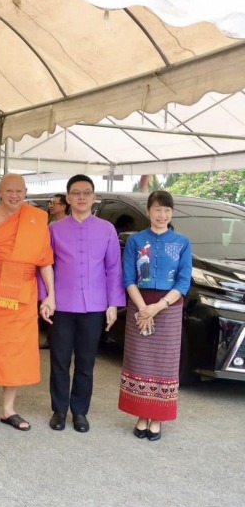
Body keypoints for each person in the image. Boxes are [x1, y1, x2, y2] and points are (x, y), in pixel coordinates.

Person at [0, 174, 54, 432]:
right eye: (9, 191)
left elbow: (45, 261)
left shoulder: (36, 218)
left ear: (25, 191)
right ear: (0, 191)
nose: (14, 196)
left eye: (19, 191)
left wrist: (51, 294)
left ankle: (9, 409)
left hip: (25, 295)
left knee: (18, 350)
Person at [46, 175, 125, 433]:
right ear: (68, 198)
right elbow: (45, 267)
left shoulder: (106, 229)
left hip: (94, 306)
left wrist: (113, 304)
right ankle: (58, 410)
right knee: (59, 361)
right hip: (62, 306)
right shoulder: (54, 230)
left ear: (94, 197)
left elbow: (114, 269)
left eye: (87, 192)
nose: (81, 197)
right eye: (76, 193)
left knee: (86, 362)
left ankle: (79, 412)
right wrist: (45, 298)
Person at [119, 190, 191, 442]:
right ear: (148, 211)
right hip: (139, 302)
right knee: (139, 360)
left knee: (164, 363)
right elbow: (128, 278)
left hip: (168, 307)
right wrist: (142, 308)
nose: (162, 215)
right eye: (158, 209)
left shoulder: (182, 242)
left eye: (167, 210)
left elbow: (183, 282)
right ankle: (141, 415)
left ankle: (157, 417)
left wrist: (156, 307)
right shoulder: (136, 241)